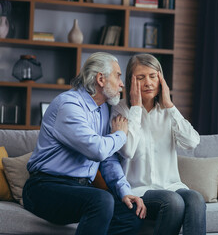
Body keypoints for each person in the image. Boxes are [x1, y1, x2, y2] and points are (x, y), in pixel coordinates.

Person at [22, 52, 146, 235]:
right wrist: (121, 134)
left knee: (131, 213)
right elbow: (97, 150)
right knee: (101, 200)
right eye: (118, 76)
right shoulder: (69, 105)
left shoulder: (104, 110)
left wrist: (124, 191)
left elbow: (108, 159)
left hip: (80, 190)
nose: (122, 84)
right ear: (101, 79)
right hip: (45, 187)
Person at [111, 53, 206, 235]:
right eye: (140, 78)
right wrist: (137, 108)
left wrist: (170, 105)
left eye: (153, 76)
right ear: (131, 81)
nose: (148, 83)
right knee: (173, 202)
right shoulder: (120, 109)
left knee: (195, 199)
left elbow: (192, 142)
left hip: (170, 186)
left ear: (160, 79)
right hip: (138, 190)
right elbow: (127, 151)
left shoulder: (168, 111)